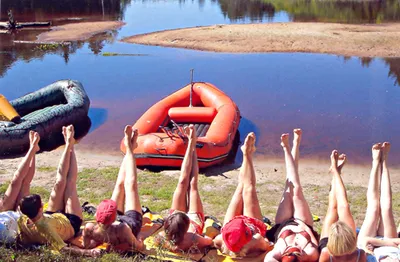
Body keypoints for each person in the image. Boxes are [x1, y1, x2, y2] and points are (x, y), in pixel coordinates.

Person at [18, 125, 100, 257]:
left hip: (51, 217)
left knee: (59, 181)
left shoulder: (22, 221)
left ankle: (68, 143)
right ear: (40, 208)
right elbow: (63, 249)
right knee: (69, 184)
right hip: (70, 223)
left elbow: (23, 238)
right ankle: (71, 144)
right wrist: (89, 253)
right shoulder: (45, 229)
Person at [83, 125, 144, 252]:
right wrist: (141, 239)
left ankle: (129, 148)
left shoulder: (90, 229)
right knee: (130, 185)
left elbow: (87, 245)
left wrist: (95, 245)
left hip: (112, 224)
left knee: (119, 185)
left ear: (96, 217)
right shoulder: (123, 230)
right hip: (131, 222)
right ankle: (130, 149)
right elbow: (138, 246)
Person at [157, 124, 213, 253]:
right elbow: (209, 241)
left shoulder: (163, 238)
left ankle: (190, 144)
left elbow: (154, 240)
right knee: (193, 185)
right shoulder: (193, 238)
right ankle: (193, 144)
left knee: (182, 182)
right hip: (194, 221)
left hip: (176, 220)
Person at [265, 129, 319, 262]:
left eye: (290, 250)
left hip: (282, 223)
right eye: (298, 251)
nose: (295, 246)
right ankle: (290, 147)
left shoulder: (276, 254)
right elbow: (310, 235)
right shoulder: (311, 253)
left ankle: (292, 146)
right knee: (297, 188)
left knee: (289, 186)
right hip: (303, 221)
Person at [213, 132, 270, 258]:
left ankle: (246, 153)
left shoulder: (221, 240)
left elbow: (213, 243)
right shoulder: (256, 240)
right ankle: (248, 154)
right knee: (248, 189)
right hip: (250, 226)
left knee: (241, 187)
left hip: (232, 227)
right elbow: (268, 247)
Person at [319, 150, 366, 262]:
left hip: (331, 242)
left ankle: (335, 171)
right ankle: (336, 171)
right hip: (342, 243)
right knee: (344, 206)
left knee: (333, 208)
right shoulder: (359, 254)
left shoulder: (325, 254)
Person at [357, 142, 400, 261]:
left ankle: (375, 163)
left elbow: (366, 241)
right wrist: (386, 243)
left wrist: (383, 243)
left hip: (369, 245)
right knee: (386, 208)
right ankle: (384, 160)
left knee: (373, 209)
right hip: (389, 245)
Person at [0, 131, 39, 244]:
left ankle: (32, 149)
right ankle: (33, 150)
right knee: (25, 184)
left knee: (15, 181)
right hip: (17, 220)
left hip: (3, 213)